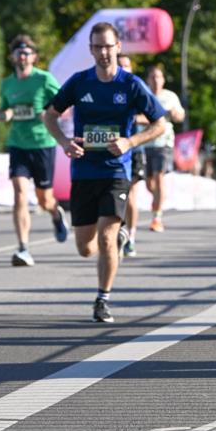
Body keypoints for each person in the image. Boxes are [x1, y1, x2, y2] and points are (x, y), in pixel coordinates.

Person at [43, 22, 166, 323]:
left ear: (118, 47)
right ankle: (115, 245)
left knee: (106, 238)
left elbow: (160, 124)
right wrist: (64, 142)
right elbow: (49, 115)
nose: (103, 52)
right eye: (97, 47)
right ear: (91, 50)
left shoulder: (132, 84)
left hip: (116, 171)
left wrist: (130, 142)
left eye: (108, 46)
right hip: (84, 172)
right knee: (86, 247)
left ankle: (103, 299)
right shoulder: (80, 82)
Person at [0, 34, 68, 266]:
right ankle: (23, 248)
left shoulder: (44, 79)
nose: (22, 56)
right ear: (12, 57)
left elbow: (64, 103)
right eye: (18, 52)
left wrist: (50, 113)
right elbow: (6, 110)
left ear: (34, 57)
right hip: (18, 144)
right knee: (20, 193)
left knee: (44, 200)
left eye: (27, 52)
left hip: (43, 144)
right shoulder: (7, 84)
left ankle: (55, 213)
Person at [143, 65, 185, 232]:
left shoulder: (170, 96)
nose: (155, 80)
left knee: (159, 178)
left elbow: (181, 116)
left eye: (158, 76)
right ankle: (157, 201)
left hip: (164, 143)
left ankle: (156, 218)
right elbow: (136, 116)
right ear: (147, 80)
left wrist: (175, 113)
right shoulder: (143, 95)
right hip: (145, 142)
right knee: (148, 183)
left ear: (163, 80)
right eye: (152, 76)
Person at [117, 55, 146, 257]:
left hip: (134, 149)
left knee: (131, 194)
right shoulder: (106, 86)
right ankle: (121, 229)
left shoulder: (137, 87)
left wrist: (132, 116)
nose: (123, 69)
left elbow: (153, 116)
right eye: (120, 66)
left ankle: (131, 237)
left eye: (126, 65)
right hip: (112, 151)